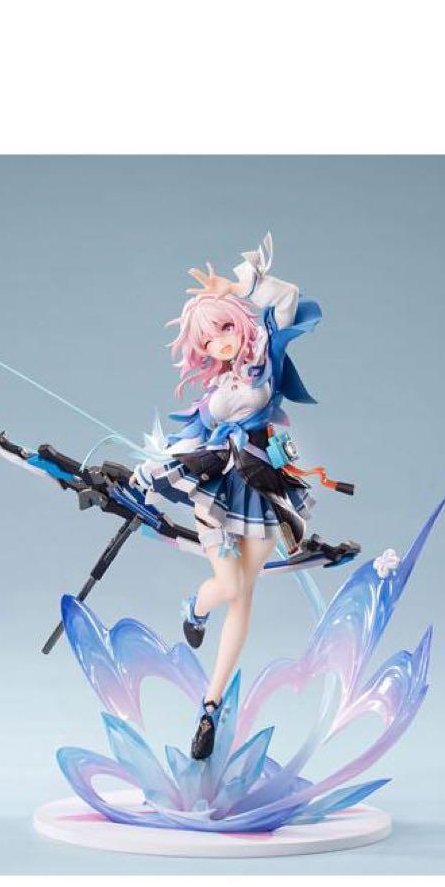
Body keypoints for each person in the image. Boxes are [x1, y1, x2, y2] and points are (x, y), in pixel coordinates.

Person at [131, 234, 324, 759]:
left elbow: (289, 296)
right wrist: (147, 474)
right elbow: (186, 443)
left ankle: (209, 708)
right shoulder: (214, 397)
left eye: (225, 328)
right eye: (209, 337)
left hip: (263, 488)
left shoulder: (263, 360)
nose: (221, 342)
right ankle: (194, 607)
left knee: (244, 595)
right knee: (230, 586)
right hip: (217, 491)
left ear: (239, 323)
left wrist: (237, 288)